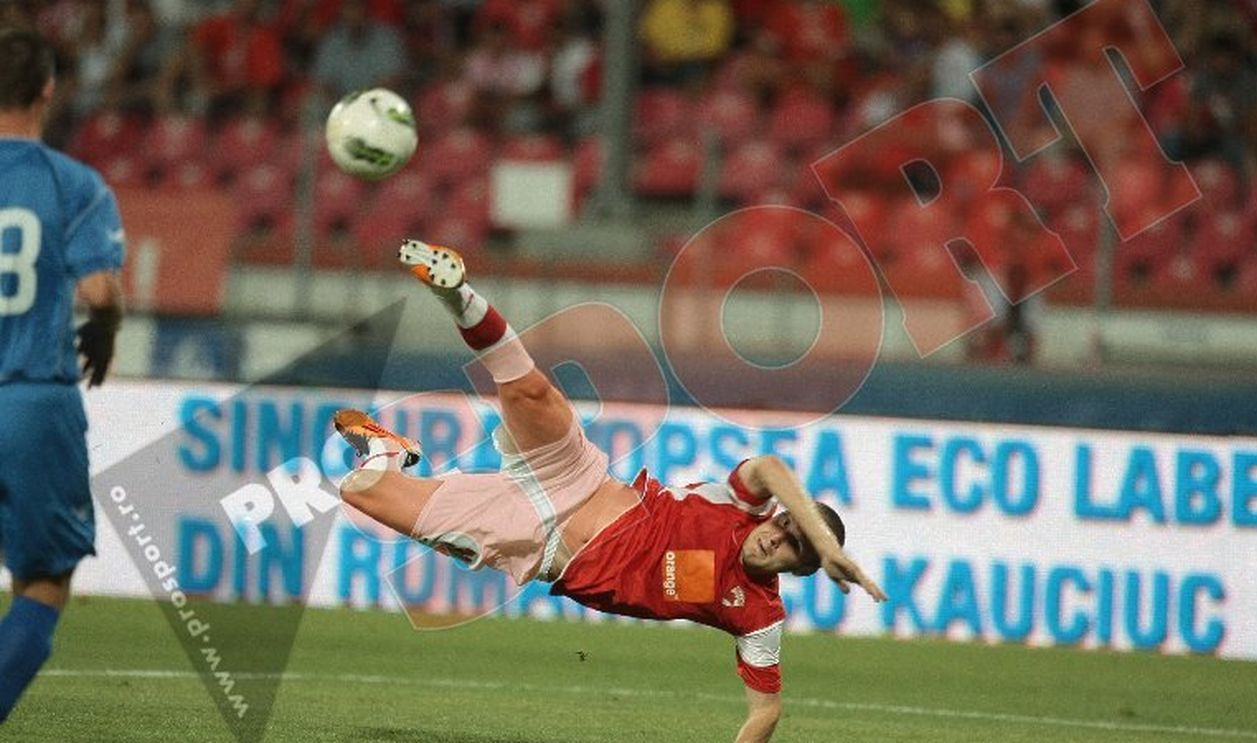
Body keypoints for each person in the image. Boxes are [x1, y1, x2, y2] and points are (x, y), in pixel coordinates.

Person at [333, 240, 886, 743]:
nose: (774, 537)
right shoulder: (739, 505)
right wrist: (827, 544)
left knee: (359, 490)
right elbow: (768, 466)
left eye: (791, 545)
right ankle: (455, 291)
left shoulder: (758, 615)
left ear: (800, 568)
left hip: (534, 543)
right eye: (783, 523)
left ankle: (387, 452)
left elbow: (766, 711)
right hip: (577, 477)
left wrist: (823, 548)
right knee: (531, 393)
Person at [0, 27, 125, 721]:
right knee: (41, 582)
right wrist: (103, 332)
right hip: (29, 399)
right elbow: (101, 293)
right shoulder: (71, 184)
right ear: (48, 90)